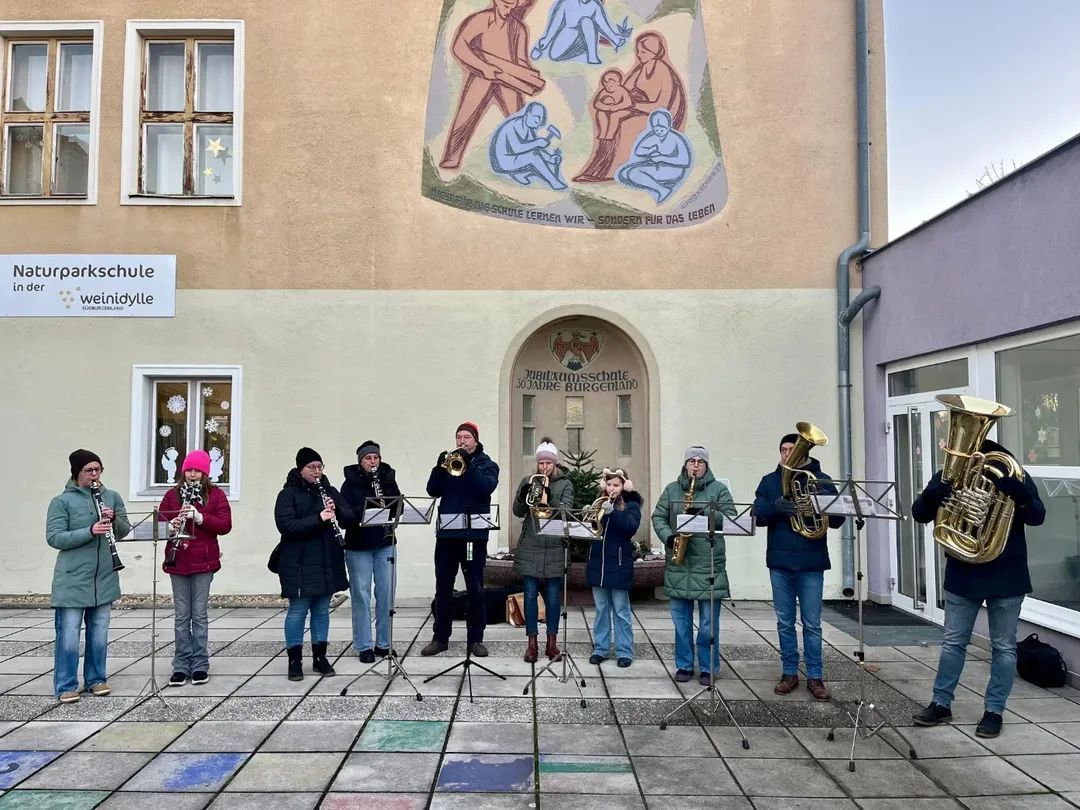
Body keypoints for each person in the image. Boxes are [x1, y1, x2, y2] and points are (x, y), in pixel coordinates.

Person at [910, 438, 1045, 739]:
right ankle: (940, 703)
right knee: (953, 644)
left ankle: (994, 711)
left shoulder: (1014, 474)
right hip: (963, 571)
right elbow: (919, 513)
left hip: (1005, 575)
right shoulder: (951, 472)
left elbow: (1038, 516)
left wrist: (1020, 496)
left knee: (1004, 648)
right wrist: (933, 495)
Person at [752, 433, 844, 701]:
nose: (786, 454)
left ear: (803, 452)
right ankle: (789, 672)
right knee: (784, 622)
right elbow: (757, 516)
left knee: (812, 624)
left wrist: (818, 502)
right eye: (783, 449)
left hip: (811, 560)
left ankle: (815, 676)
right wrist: (776, 507)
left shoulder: (822, 481)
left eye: (792, 449)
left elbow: (837, 520)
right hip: (780, 562)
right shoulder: (769, 482)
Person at [46, 449, 131, 703]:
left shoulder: (111, 497)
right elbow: (54, 537)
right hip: (72, 579)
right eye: (89, 470)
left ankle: (96, 679)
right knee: (69, 635)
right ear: (77, 473)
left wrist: (114, 519)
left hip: (104, 577)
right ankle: (65, 685)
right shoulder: (61, 502)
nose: (95, 475)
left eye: (98, 470)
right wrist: (90, 530)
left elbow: (125, 531)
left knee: (99, 633)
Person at [652, 445, 734, 686]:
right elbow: (658, 517)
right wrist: (668, 536)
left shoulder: (718, 490)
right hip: (679, 563)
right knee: (681, 621)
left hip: (708, 564)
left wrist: (708, 513)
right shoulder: (671, 489)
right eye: (691, 461)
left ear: (706, 465)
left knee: (709, 623)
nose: (695, 465)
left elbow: (730, 518)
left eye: (700, 461)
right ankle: (685, 664)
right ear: (685, 465)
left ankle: (709, 667)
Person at [274, 447, 355, 681]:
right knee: (298, 611)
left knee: (321, 611)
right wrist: (318, 517)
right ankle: (295, 660)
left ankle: (320, 657)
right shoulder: (288, 494)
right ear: (301, 469)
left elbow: (349, 518)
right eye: (312, 467)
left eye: (320, 467)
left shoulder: (328, 490)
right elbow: (286, 526)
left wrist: (336, 508)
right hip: (299, 561)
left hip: (326, 558)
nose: (317, 471)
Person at [423, 422, 500, 657]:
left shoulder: (487, 464)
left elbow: (485, 488)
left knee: (474, 587)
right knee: (443, 587)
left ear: (475, 440)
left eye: (466, 437)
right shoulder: (448, 463)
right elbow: (432, 490)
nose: (461, 441)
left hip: (472, 538)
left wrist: (468, 466)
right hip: (447, 535)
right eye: (458, 437)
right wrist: (438, 468)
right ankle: (440, 638)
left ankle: (475, 639)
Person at [439, 0, 544, 169]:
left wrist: (529, 77)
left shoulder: (519, 29)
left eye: (513, 6)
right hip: (483, 76)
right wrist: (483, 67)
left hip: (508, 81)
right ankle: (452, 157)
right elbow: (459, 46)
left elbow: (522, 61)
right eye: (506, 5)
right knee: (465, 115)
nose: (509, 10)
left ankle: (529, 157)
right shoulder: (480, 20)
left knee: (517, 118)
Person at [158, 449, 232, 687]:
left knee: (199, 616)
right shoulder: (172, 495)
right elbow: (159, 523)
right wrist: (171, 525)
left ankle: (200, 665)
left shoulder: (216, 495)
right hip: (178, 559)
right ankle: (181, 665)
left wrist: (200, 518)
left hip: (203, 561)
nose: (192, 474)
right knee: (182, 616)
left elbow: (225, 525)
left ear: (205, 473)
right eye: (189, 470)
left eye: (197, 470)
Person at [574, 31, 687, 183]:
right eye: (638, 51)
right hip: (637, 108)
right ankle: (598, 168)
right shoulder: (640, 68)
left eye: (643, 51)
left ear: (653, 52)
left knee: (625, 124)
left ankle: (611, 171)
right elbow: (624, 90)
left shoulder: (662, 70)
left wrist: (631, 105)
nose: (639, 55)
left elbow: (661, 106)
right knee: (608, 117)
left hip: (656, 116)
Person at [512, 438, 575, 663]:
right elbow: (518, 512)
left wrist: (549, 497)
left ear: (555, 464)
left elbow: (567, 510)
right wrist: (524, 495)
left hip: (555, 544)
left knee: (552, 597)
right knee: (529, 596)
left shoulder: (565, 483)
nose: (545, 467)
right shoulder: (528, 480)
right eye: (541, 464)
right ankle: (531, 643)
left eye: (549, 463)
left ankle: (552, 642)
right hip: (531, 543)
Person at [340, 440, 402, 664]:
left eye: (376, 457)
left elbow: (398, 506)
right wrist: (368, 508)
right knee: (362, 596)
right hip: (359, 546)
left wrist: (389, 502)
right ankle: (364, 645)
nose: (373, 462)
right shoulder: (349, 484)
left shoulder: (387, 479)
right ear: (361, 461)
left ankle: (384, 644)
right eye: (368, 458)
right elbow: (344, 515)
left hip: (385, 541)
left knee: (386, 594)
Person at [587, 468, 641, 668]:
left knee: (621, 610)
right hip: (598, 564)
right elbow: (590, 530)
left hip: (619, 564)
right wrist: (589, 514)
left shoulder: (631, 505)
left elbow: (630, 528)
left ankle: (624, 651)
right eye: (608, 484)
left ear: (624, 486)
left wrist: (613, 514)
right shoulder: (600, 503)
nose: (611, 488)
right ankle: (600, 649)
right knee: (601, 610)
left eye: (616, 485)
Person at [615, 109, 693, 203]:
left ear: (669, 127)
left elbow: (685, 161)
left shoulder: (676, 138)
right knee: (623, 173)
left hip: (673, 169)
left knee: (632, 173)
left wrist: (662, 158)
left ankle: (662, 190)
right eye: (656, 129)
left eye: (662, 129)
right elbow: (639, 151)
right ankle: (652, 184)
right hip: (655, 166)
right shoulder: (652, 136)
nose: (659, 132)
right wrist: (649, 150)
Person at [489, 102, 567, 190]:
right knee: (532, 157)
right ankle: (554, 182)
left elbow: (535, 150)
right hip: (501, 162)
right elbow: (516, 148)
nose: (537, 124)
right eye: (536, 119)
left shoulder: (528, 129)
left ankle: (518, 173)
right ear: (528, 113)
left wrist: (549, 158)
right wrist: (537, 143)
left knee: (533, 157)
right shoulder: (512, 126)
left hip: (513, 159)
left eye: (540, 122)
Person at [531, 0, 628, 64]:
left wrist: (615, 38)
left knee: (586, 21)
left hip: (584, 35)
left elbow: (603, 25)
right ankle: (586, 48)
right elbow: (555, 24)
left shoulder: (594, 5)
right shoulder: (566, 3)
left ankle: (592, 57)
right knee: (554, 56)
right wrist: (546, 40)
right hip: (568, 36)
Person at [592, 69, 635, 139]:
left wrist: (617, 107)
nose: (608, 87)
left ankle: (610, 135)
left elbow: (628, 103)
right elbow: (596, 103)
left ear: (618, 83)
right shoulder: (604, 91)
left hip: (623, 110)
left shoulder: (622, 90)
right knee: (600, 113)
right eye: (606, 85)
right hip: (608, 109)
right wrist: (605, 107)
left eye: (611, 86)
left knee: (615, 115)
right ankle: (603, 133)